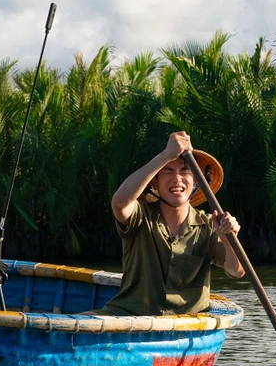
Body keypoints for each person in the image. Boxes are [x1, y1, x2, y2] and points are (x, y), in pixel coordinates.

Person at [98, 131, 244, 316]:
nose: (177, 179)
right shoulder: (141, 216)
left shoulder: (208, 224)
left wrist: (229, 238)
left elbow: (237, 270)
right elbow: (119, 203)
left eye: (184, 171)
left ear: (196, 181)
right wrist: (165, 156)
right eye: (168, 171)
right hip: (129, 316)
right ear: (155, 183)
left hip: (187, 324)